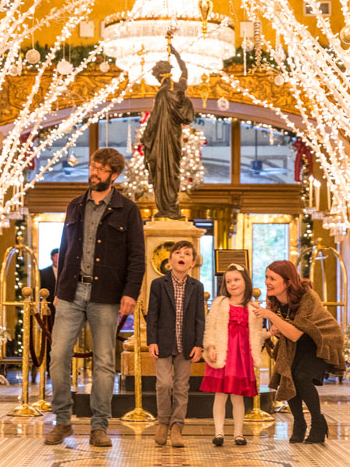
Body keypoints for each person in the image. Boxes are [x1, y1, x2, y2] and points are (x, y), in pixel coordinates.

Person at [45, 148, 145, 448]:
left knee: (104, 362)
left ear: (114, 175)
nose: (94, 173)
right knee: (58, 356)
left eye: (101, 169)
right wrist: (60, 291)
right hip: (70, 294)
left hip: (106, 296)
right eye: (93, 166)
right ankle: (62, 421)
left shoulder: (127, 210)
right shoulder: (75, 206)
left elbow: (137, 257)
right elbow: (65, 248)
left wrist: (130, 293)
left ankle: (99, 426)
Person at [252, 260, 344, 444]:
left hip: (320, 342)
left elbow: (295, 333)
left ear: (287, 282)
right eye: (266, 277)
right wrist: (275, 326)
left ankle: (318, 423)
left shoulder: (307, 297)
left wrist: (271, 317)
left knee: (302, 377)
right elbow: (283, 331)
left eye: (272, 278)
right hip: (296, 346)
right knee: (289, 377)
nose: (267, 282)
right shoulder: (274, 300)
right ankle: (299, 424)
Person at [146, 241, 205, 448]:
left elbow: (200, 318)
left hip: (187, 343)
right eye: (178, 253)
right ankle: (163, 421)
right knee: (163, 384)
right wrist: (151, 340)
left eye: (187, 253)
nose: (182, 256)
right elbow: (152, 315)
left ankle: (177, 427)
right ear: (170, 260)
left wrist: (199, 344)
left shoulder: (197, 287)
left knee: (181, 387)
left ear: (193, 262)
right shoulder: (158, 284)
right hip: (163, 342)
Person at [200, 264, 268, 447]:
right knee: (220, 395)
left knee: (238, 397)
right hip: (223, 353)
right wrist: (211, 347)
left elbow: (256, 334)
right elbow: (211, 328)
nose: (232, 284)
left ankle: (239, 433)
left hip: (241, 357)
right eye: (228, 281)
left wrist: (269, 333)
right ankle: (219, 432)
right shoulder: (220, 303)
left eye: (236, 280)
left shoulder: (253, 307)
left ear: (245, 281)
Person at [140, 45, 195, 219]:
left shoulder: (162, 93)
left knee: (162, 172)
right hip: (173, 139)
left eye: (155, 76)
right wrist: (176, 52)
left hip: (160, 141)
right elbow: (185, 69)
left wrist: (146, 137)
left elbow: (154, 119)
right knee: (172, 171)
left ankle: (168, 208)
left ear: (159, 75)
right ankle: (169, 208)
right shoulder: (180, 87)